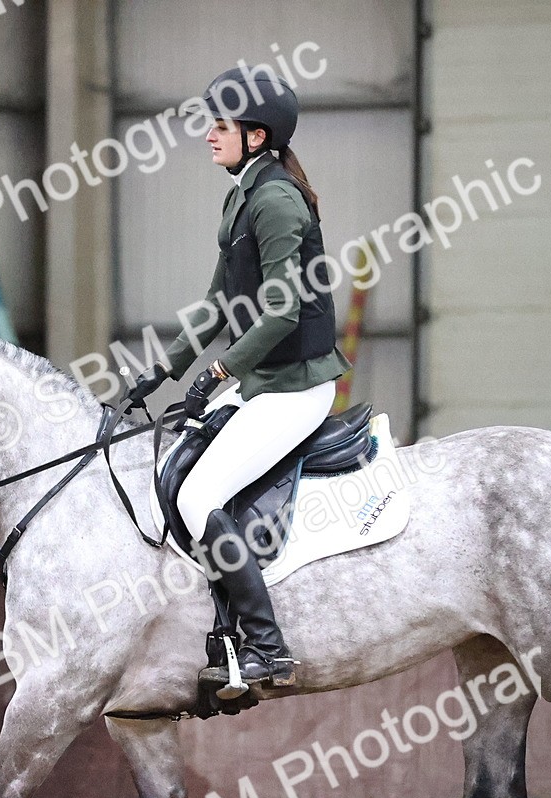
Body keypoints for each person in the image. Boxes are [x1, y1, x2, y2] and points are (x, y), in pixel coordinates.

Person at [127, 68, 352, 692]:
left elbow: (280, 311)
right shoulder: (242, 195)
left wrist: (220, 371)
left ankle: (265, 645)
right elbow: (216, 303)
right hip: (263, 380)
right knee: (177, 467)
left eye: (220, 126)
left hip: (296, 386)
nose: (208, 135)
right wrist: (161, 371)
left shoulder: (276, 199)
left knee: (200, 498)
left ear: (257, 136)